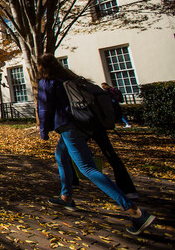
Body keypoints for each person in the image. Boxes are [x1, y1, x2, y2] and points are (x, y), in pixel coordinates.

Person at [37, 53, 155, 235]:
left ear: (41, 66)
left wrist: (43, 132)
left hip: (69, 128)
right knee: (61, 155)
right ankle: (66, 196)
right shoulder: (69, 77)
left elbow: (44, 108)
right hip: (84, 125)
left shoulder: (48, 81)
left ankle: (135, 212)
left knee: (87, 168)